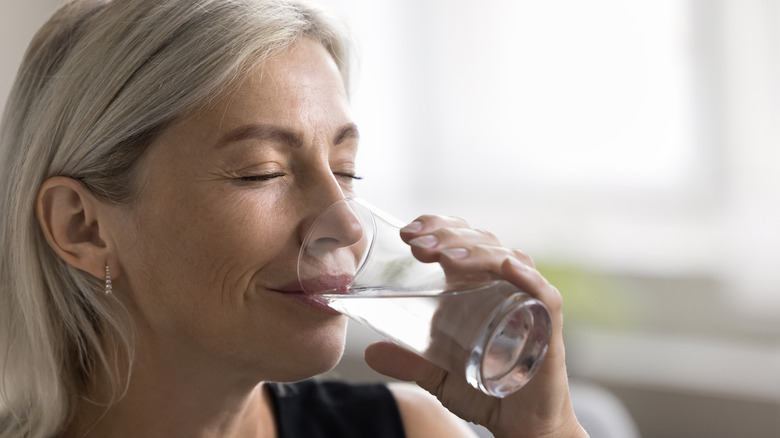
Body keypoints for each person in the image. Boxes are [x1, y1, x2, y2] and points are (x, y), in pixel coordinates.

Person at [0, 0, 588, 437]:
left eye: (346, 168)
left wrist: (546, 429)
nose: (349, 225)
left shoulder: (411, 431)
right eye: (262, 172)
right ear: (83, 227)